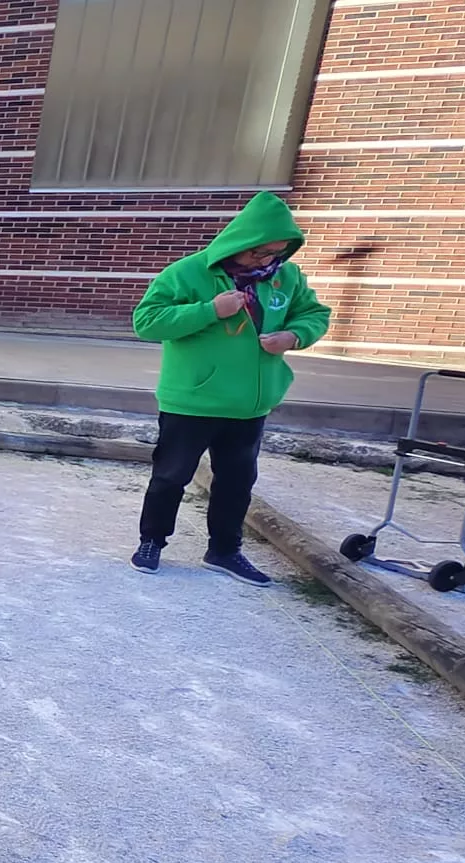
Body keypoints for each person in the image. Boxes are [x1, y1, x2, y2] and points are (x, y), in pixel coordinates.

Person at [130, 191, 331, 585]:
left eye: (277, 252)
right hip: (192, 402)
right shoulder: (188, 272)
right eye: (261, 252)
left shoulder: (287, 277)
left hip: (249, 405)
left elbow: (314, 314)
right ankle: (151, 542)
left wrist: (294, 336)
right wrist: (210, 310)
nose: (268, 260)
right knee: (170, 477)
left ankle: (224, 551)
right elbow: (147, 322)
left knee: (237, 484)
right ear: (241, 241)